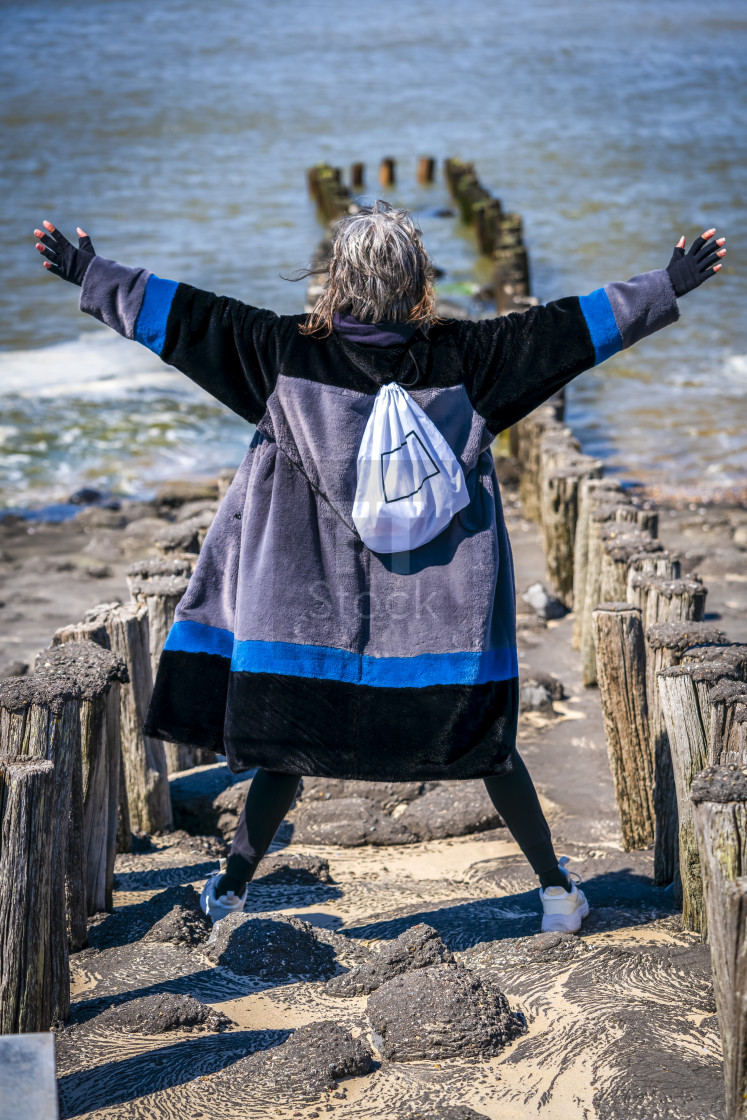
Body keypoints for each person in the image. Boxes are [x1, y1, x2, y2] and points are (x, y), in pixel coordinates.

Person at [33, 203, 725, 933]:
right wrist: (670, 281)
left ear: (335, 282)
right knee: (490, 753)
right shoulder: (473, 360)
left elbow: (182, 319)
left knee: (285, 756)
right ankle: (555, 891)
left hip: (309, 623)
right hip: (435, 625)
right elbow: (573, 329)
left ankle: (231, 889)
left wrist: (87, 270)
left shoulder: (279, 354)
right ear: (416, 283)